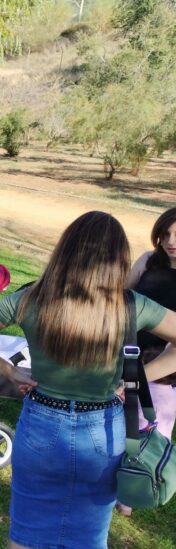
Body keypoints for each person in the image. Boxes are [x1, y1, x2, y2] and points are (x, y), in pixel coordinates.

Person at [0, 211, 176, 549]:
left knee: (23, 536)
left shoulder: (30, 298)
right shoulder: (133, 304)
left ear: (66, 250)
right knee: (91, 542)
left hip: (40, 426)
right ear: (118, 257)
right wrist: (138, 378)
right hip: (102, 433)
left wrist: (9, 370)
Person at [116, 207, 176, 516]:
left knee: (150, 431)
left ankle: (135, 491)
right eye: (166, 234)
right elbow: (120, 296)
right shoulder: (148, 261)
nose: (170, 241)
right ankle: (112, 482)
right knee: (116, 423)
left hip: (164, 371)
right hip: (124, 355)